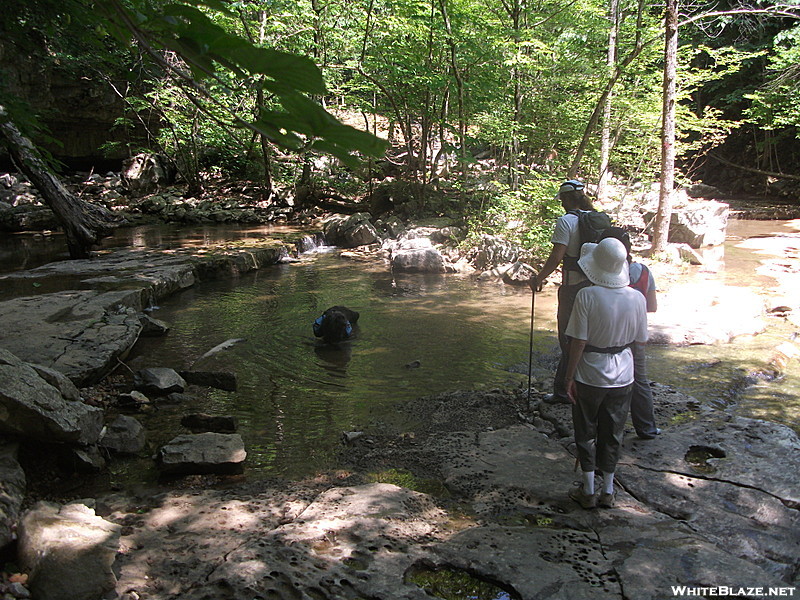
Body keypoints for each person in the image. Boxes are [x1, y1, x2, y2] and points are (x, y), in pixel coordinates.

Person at [563, 237, 648, 509]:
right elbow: (640, 340)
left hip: (590, 374)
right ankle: (608, 490)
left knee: (586, 430)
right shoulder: (637, 297)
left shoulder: (586, 295)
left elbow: (579, 342)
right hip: (624, 373)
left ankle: (588, 490)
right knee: (613, 432)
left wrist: (568, 377)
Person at [530, 179, 595, 403]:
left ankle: (562, 392)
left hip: (572, 287)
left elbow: (557, 257)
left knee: (567, 338)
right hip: (596, 285)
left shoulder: (566, 221)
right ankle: (588, 385)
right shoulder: (596, 218)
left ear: (566, 200)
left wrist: (538, 278)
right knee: (588, 337)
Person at [600, 227, 661, 440]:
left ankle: (605, 432)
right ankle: (647, 429)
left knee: (605, 383)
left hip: (609, 335)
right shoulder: (643, 271)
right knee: (640, 381)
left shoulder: (600, 274)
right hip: (636, 333)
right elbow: (651, 306)